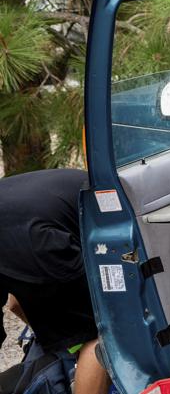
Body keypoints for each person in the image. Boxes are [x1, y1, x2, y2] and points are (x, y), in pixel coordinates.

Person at [0, 168, 110, 394]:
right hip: (32, 234)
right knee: (98, 332)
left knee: (94, 332)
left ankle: (68, 356)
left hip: (30, 232)